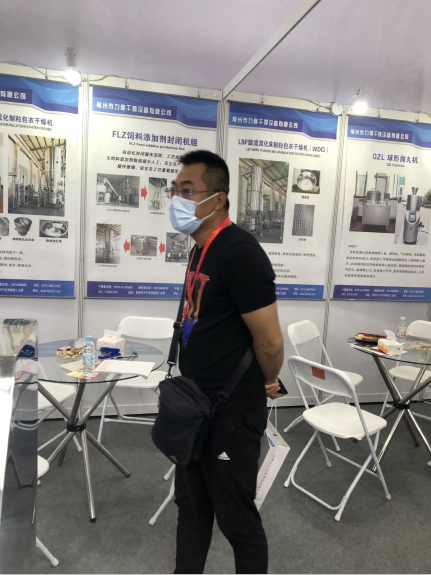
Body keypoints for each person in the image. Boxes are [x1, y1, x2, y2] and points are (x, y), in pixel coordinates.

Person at [168, 150, 284, 574]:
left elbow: (270, 340)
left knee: (237, 519)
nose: (176, 199)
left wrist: (268, 380)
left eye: (187, 191)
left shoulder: (241, 253)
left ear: (217, 199)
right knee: (191, 508)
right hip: (195, 406)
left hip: (230, 412)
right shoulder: (201, 248)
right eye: (175, 189)